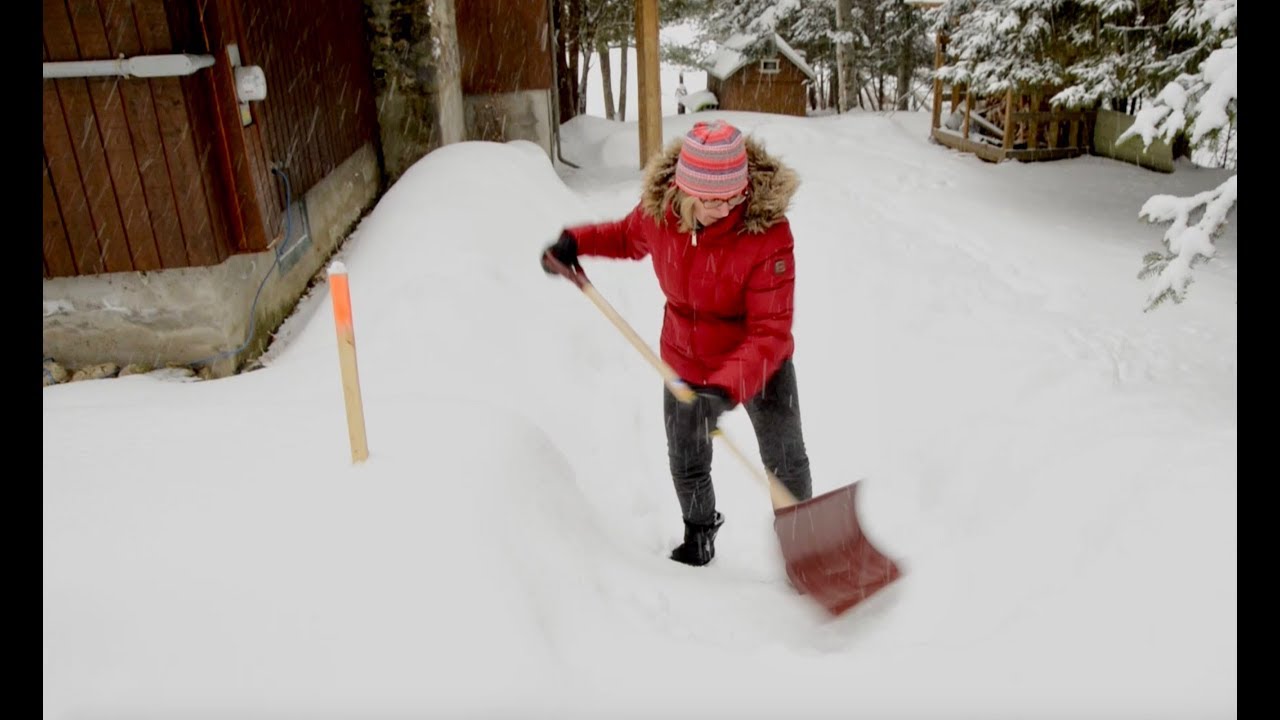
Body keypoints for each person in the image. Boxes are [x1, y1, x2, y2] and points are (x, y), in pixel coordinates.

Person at [541, 120, 813, 567]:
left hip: (761, 364)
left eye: (732, 197)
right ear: (684, 190)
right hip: (684, 356)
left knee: (785, 461)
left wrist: (723, 390)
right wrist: (577, 242)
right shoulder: (659, 215)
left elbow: (771, 332)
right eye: (710, 199)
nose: (723, 208)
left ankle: (805, 548)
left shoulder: (767, 234)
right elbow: (625, 237)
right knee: (686, 455)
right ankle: (699, 534)